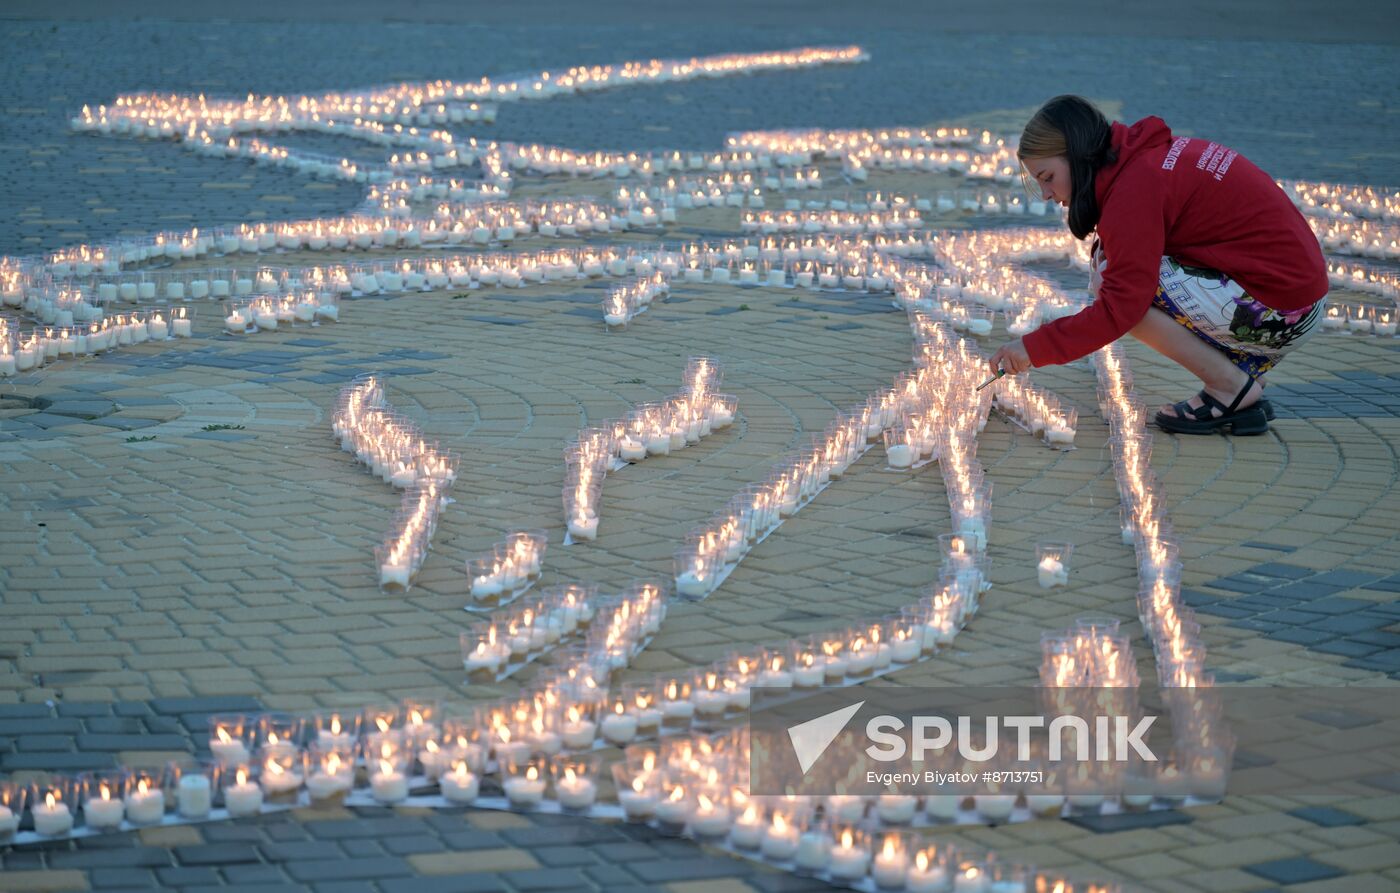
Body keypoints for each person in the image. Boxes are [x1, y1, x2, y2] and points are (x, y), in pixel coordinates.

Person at [987, 95, 1329, 435]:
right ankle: (1239, 375)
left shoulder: (1133, 191)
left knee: (1113, 282)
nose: (1047, 193)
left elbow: (1120, 309)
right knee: (1113, 261)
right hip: (1295, 293)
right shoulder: (1142, 158)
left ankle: (1230, 387)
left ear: (1077, 156)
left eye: (1048, 177)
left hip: (1282, 308)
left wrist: (1032, 348)